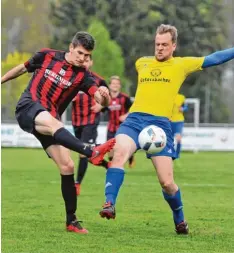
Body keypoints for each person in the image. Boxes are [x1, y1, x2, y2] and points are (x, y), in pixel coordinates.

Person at [98, 24, 234, 234]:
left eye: (164, 45)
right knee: (119, 154)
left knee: (167, 182)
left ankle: (179, 219)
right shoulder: (141, 63)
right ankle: (109, 203)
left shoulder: (181, 65)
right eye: (157, 44)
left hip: (159, 126)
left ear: (173, 46)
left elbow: (214, 58)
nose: (159, 48)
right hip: (134, 120)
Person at [1, 31, 116, 234]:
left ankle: (71, 221)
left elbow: (99, 99)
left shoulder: (83, 76)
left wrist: (105, 97)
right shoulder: (46, 55)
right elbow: (22, 68)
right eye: (80, 53)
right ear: (71, 47)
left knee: (68, 165)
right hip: (28, 107)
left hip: (49, 119)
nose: (83, 58)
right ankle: (92, 152)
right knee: (54, 124)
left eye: (87, 56)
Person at [72, 56, 109, 196]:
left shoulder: (99, 81)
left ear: (91, 62)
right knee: (87, 154)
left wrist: (101, 106)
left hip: (91, 121)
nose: (85, 63)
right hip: (77, 122)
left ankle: (77, 184)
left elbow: (108, 101)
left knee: (83, 152)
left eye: (88, 61)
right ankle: (105, 161)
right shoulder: (73, 77)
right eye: (83, 60)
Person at [105, 76, 135, 168]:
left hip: (122, 127)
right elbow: (101, 108)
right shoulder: (107, 98)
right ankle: (112, 164)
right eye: (113, 83)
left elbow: (133, 108)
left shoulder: (124, 97)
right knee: (110, 151)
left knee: (121, 148)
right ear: (109, 85)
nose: (115, 85)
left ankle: (130, 158)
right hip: (111, 127)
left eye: (117, 84)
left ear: (120, 86)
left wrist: (125, 116)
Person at [171, 93, 188, 158]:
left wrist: (183, 109)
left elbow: (186, 107)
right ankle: (170, 153)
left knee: (178, 138)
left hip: (179, 121)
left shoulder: (181, 97)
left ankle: (177, 154)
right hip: (170, 121)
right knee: (170, 139)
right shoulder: (169, 96)